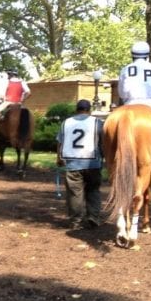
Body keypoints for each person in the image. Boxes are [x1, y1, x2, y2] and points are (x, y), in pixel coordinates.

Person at [56, 99, 105, 230]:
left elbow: (60, 143)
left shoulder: (66, 123)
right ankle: (94, 216)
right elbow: (102, 143)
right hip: (92, 163)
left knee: (74, 193)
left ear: (76, 110)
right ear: (89, 110)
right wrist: (103, 157)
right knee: (93, 190)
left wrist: (59, 158)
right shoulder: (98, 123)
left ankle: (76, 221)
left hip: (72, 164)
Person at [117, 40, 151, 112]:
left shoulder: (126, 69)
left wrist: (125, 97)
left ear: (132, 55)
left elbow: (121, 90)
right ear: (147, 55)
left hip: (130, 103)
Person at [0, 70, 30, 138]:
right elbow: (28, 92)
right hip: (19, 104)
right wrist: (22, 99)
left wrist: (1, 97)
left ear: (10, 75)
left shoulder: (7, 82)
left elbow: (2, 95)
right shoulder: (22, 82)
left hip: (7, 103)